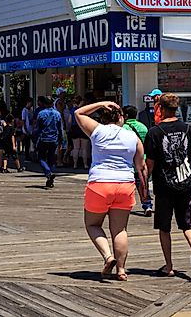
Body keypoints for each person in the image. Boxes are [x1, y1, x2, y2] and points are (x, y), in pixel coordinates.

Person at [74, 100, 146, 281]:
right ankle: (121, 270)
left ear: (104, 117)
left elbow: (79, 113)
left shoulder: (98, 131)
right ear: (121, 117)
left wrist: (100, 104)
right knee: (120, 230)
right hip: (125, 184)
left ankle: (108, 256)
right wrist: (145, 191)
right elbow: (141, 166)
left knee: (93, 224)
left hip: (100, 183)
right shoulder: (132, 137)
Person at [144, 92, 191, 280]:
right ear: (176, 108)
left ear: (160, 109)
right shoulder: (188, 129)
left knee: (164, 227)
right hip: (185, 183)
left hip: (164, 185)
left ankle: (169, 266)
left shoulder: (154, 132)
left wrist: (145, 187)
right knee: (187, 222)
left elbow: (150, 164)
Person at [123, 105, 153, 216]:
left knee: (126, 186)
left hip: (129, 161)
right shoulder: (143, 127)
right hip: (143, 160)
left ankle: (122, 206)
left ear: (125, 115)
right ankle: (147, 205)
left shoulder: (123, 128)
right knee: (143, 185)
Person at [34, 96, 64, 188]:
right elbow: (60, 128)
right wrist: (60, 139)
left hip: (43, 138)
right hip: (53, 139)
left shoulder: (41, 113)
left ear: (44, 104)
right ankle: (50, 176)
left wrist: (35, 139)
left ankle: (48, 173)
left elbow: (38, 128)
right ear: (52, 104)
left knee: (41, 158)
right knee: (51, 158)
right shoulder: (57, 114)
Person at [70, 96, 90, 169]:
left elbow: (69, 121)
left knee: (76, 148)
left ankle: (75, 164)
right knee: (84, 148)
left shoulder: (72, 110)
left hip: (74, 128)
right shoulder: (84, 110)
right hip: (83, 128)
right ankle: (85, 164)